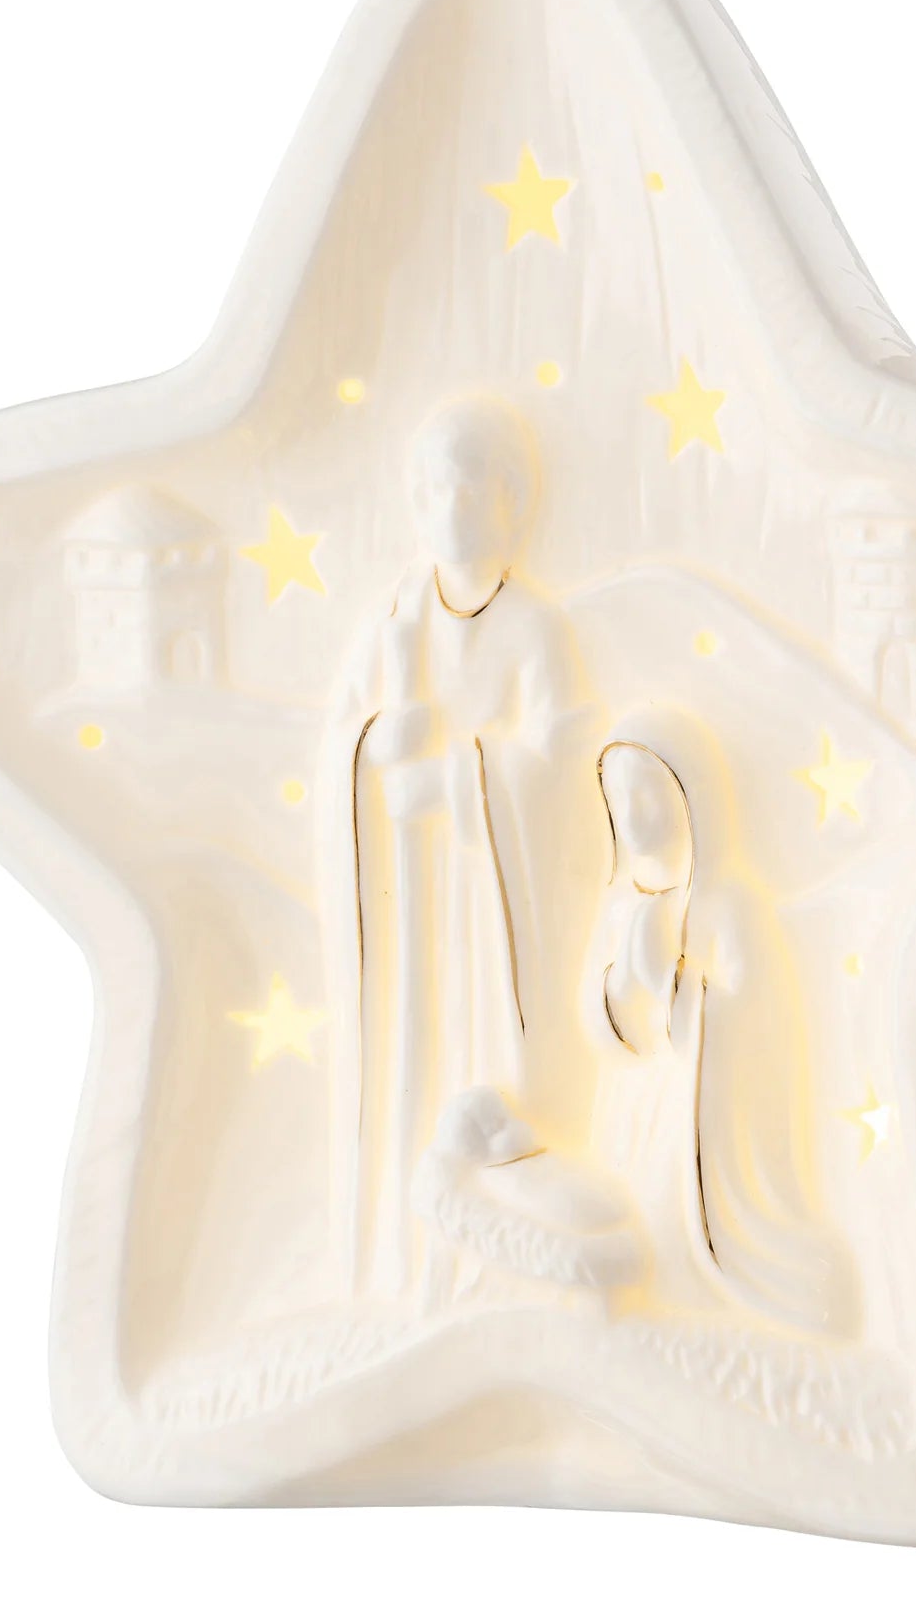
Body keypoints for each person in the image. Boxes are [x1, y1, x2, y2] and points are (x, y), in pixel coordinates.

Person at [320, 397, 588, 1300]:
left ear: (511, 500)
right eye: (433, 488)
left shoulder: (534, 627)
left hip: (493, 899)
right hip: (409, 897)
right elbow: (342, 739)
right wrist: (371, 751)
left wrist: (459, 782)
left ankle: (496, 1262)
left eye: (470, 487)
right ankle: (409, 1263)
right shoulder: (393, 620)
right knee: (413, 1051)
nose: (450, 506)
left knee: (485, 1060)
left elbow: (561, 756)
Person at [581, 707, 851, 1333]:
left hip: (698, 1113)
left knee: (667, 1209)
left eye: (650, 794)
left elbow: (753, 1014)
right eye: (621, 799)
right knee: (627, 1207)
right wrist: (622, 987)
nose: (635, 815)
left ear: (690, 800)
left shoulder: (728, 903)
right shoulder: (620, 904)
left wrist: (679, 986)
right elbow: (600, 1023)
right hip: (635, 1106)